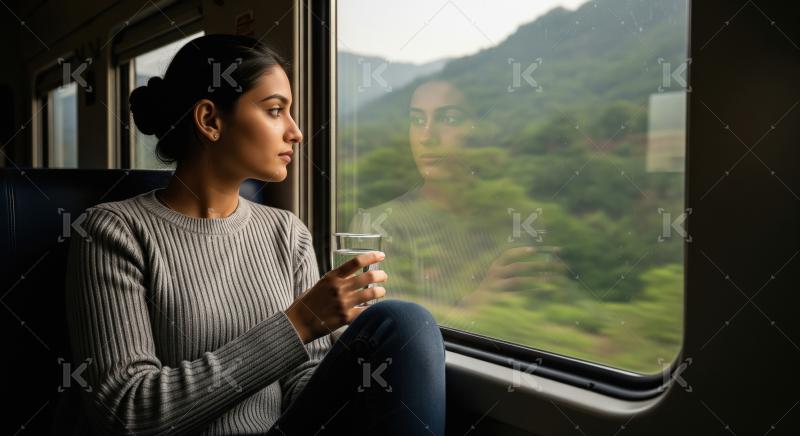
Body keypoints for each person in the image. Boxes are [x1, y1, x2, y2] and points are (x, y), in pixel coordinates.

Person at [64, 34, 445, 436]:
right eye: (275, 110)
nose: (296, 132)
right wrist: (300, 322)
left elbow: (303, 388)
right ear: (210, 121)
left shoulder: (288, 233)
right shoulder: (112, 232)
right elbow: (127, 413)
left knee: (404, 324)